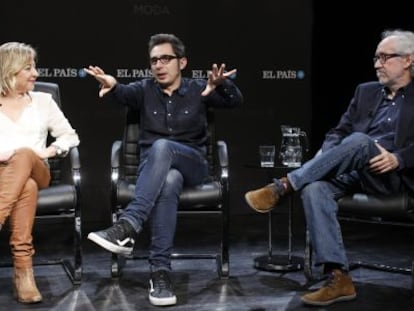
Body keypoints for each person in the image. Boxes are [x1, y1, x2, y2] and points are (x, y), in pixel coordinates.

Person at [245, 28, 414, 306]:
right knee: (314, 188)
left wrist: (399, 158)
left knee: (360, 141)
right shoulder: (366, 92)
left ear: (408, 60)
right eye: (375, 57)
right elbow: (339, 131)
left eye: (385, 57)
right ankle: (339, 277)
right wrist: (328, 154)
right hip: (354, 172)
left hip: (393, 177)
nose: (377, 64)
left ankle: (283, 185)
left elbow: (359, 139)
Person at [84, 33, 242, 307]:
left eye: (165, 59)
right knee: (168, 180)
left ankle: (129, 224)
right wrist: (111, 85)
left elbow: (235, 102)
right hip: (157, 172)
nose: (158, 65)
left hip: (194, 166)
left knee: (162, 147)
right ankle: (160, 274)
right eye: (154, 60)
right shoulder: (144, 90)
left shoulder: (198, 89)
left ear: (182, 62)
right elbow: (120, 92)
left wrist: (222, 84)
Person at [0, 42, 80, 303]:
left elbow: (70, 136)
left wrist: (49, 151)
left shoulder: (43, 101)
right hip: (8, 178)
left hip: (37, 169)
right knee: (26, 188)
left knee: (24, 154)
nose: (35, 73)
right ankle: (24, 274)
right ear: (9, 70)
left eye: (34, 66)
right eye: (28, 68)